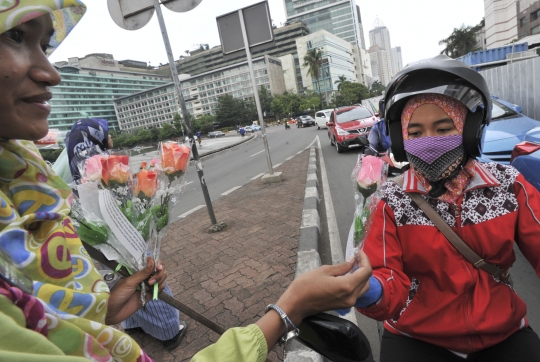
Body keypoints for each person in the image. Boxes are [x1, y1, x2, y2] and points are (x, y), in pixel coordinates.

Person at [0, 2, 373, 360]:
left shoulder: (25, 183)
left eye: (45, 45)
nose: (51, 73)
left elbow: (48, 319)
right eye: (16, 36)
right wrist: (290, 308)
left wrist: (106, 310)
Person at [355, 55, 540, 362]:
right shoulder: (390, 200)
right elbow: (385, 274)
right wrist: (368, 288)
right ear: (401, 142)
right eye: (415, 133)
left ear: (470, 131)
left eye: (443, 129)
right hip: (416, 335)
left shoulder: (509, 185)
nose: (428, 141)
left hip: (502, 329)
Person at [65, 118, 188, 351]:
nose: (111, 139)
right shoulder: (103, 168)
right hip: (125, 242)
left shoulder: (75, 173)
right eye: (107, 134)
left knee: (120, 284)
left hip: (101, 251)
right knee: (146, 277)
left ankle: (133, 323)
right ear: (96, 139)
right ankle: (169, 331)